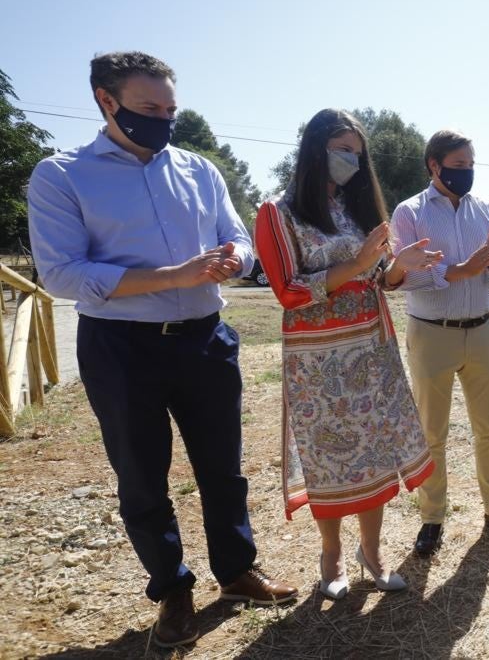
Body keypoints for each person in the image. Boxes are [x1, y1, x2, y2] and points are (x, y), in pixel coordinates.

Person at [26, 51, 296, 648]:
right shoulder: (61, 175)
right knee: (142, 477)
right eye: (150, 108)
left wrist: (234, 259)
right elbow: (64, 276)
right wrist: (173, 275)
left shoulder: (199, 170)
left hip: (205, 340)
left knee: (223, 469)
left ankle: (236, 571)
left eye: (171, 108)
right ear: (106, 100)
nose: (164, 119)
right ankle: (172, 588)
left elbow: (238, 239)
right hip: (122, 348)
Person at [254, 108, 440, 599]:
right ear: (315, 150)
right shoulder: (278, 212)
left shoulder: (357, 209)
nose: (351, 161)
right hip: (319, 360)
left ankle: (372, 552)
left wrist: (397, 266)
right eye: (342, 150)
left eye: (357, 153)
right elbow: (289, 290)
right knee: (329, 459)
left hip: (371, 350)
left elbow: (376, 280)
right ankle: (331, 555)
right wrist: (356, 263)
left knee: (375, 453)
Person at [385, 129, 489, 556]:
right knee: (433, 432)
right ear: (435, 165)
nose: (467, 172)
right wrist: (461, 269)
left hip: (483, 331)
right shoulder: (408, 212)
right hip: (432, 333)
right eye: (458, 165)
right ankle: (431, 518)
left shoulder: (486, 208)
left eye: (470, 165)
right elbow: (403, 274)